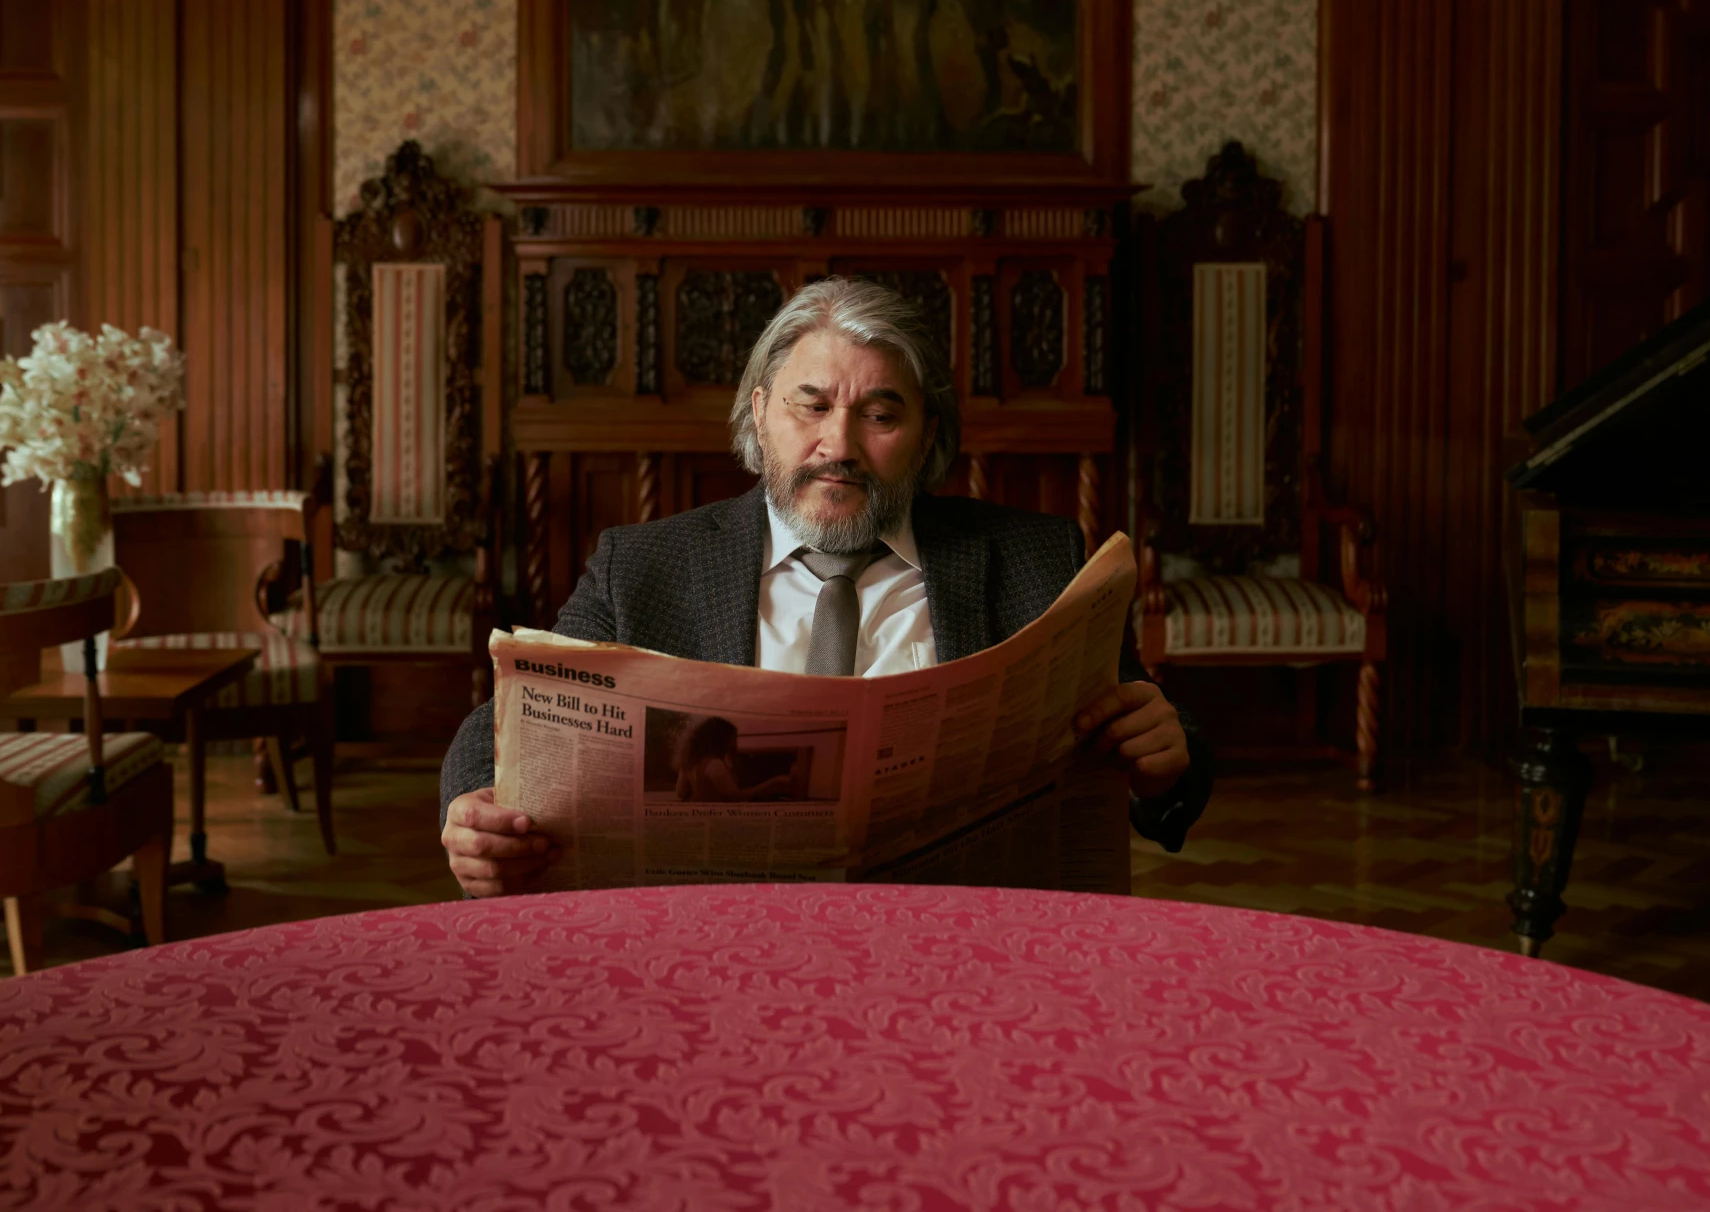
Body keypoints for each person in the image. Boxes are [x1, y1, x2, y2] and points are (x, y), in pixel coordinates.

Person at [440, 278, 1212, 898]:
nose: (837, 446)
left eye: (880, 413)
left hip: (965, 952)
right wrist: (472, 809)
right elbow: (513, 715)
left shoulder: (1040, 561)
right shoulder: (645, 564)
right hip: (715, 948)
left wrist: (1165, 763)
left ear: (928, 436)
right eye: (811, 405)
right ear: (759, 414)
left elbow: (1153, 746)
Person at [672, 716, 799, 803]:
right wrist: (773, 783)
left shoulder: (690, 762)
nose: (735, 744)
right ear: (721, 740)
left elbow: (681, 792)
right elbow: (737, 796)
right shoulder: (715, 764)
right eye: (733, 739)